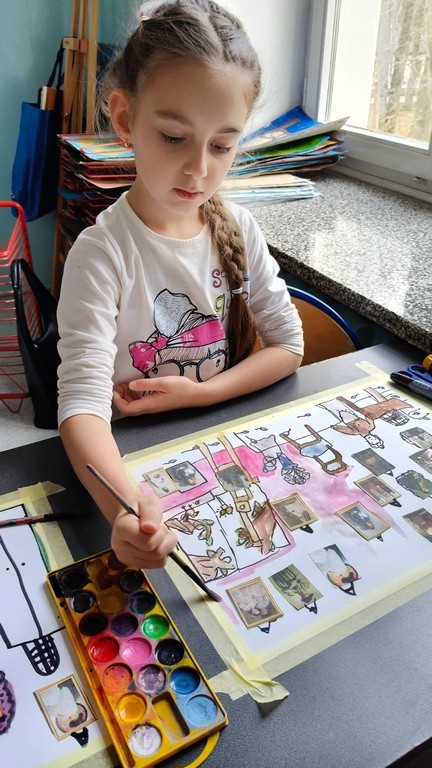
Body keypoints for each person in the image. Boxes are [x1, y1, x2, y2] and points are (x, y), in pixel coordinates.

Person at [57, 0, 304, 570]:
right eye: (173, 137)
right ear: (125, 120)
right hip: (133, 458)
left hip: (222, 449)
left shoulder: (239, 228)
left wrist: (202, 394)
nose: (199, 170)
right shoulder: (102, 253)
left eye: (222, 145)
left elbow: (289, 345)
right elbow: (82, 406)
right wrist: (124, 511)